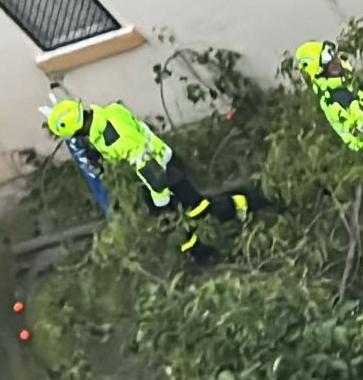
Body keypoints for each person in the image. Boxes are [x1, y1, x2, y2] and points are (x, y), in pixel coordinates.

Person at [39, 97, 246, 262]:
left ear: (75, 129)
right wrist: (101, 156)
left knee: (193, 212)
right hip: (162, 162)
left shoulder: (113, 138)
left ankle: (245, 203)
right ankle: (200, 251)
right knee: (177, 221)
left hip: (161, 175)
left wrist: (161, 198)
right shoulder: (108, 113)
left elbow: (143, 162)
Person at [293, 40, 363, 151]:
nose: (335, 60)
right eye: (327, 57)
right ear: (317, 69)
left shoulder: (347, 83)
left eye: (333, 54)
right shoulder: (336, 97)